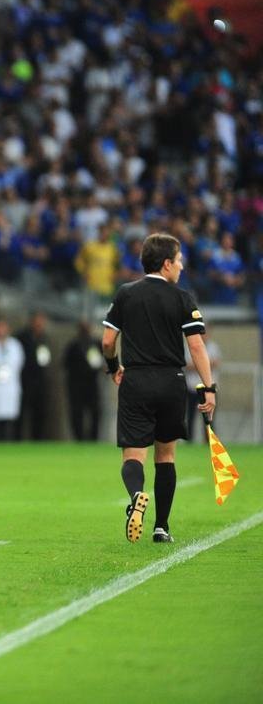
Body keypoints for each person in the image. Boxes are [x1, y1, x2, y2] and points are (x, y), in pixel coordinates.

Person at [102, 233, 216, 544]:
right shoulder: (182, 298)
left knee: (133, 455)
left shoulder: (125, 294)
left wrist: (114, 368)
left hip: (135, 380)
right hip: (171, 382)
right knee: (165, 456)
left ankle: (137, 495)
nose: (181, 266)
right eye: (178, 260)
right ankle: (161, 527)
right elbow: (196, 346)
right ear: (166, 264)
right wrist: (209, 387)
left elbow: (108, 341)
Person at [63, 321, 103, 441]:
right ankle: (79, 438)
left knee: (95, 412)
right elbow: (65, 364)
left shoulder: (95, 344)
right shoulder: (73, 346)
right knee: (77, 413)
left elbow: (101, 361)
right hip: (76, 386)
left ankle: (93, 438)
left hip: (92, 384)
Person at [16, 311, 51, 440]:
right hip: (25, 380)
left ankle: (37, 439)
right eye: (38, 321)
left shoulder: (44, 338)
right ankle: (17, 439)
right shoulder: (22, 337)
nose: (40, 324)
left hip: (40, 381)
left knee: (39, 413)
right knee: (22, 413)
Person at [183, 328, 221, 442]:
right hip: (192, 388)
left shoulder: (213, 347)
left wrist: (198, 364)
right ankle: (189, 440)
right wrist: (204, 364)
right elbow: (186, 365)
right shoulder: (189, 347)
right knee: (191, 417)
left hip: (208, 389)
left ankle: (209, 440)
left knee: (209, 418)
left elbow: (216, 363)